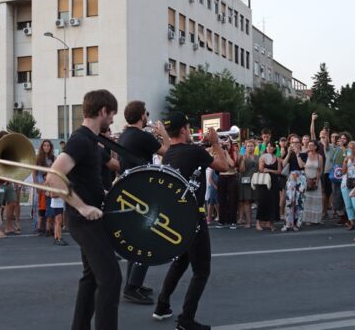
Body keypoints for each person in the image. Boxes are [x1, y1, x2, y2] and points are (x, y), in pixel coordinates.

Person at [45, 89, 121, 330]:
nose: (111, 120)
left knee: (91, 279)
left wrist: (104, 195)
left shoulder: (90, 142)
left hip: (90, 218)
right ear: (102, 111)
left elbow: (86, 181)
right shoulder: (80, 140)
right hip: (84, 221)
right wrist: (83, 206)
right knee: (110, 279)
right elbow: (53, 178)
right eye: (111, 115)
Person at [152, 112, 228, 330]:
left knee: (181, 262)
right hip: (194, 217)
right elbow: (224, 167)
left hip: (176, 218)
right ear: (184, 130)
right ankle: (186, 320)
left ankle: (162, 305)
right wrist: (216, 143)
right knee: (202, 271)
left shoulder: (169, 155)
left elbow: (189, 156)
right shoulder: (194, 151)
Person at [117, 100, 170, 305]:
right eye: (146, 114)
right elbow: (168, 151)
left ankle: (134, 283)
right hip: (141, 192)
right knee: (146, 238)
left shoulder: (125, 135)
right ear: (141, 116)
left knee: (136, 240)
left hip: (130, 190)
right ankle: (131, 287)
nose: (147, 117)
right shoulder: (141, 136)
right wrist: (163, 132)